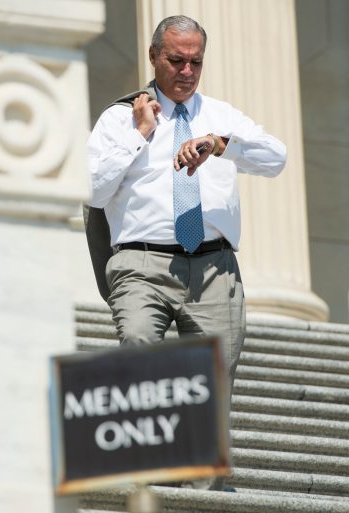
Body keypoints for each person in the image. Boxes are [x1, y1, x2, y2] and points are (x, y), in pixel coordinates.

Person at [86, 15, 286, 489]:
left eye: (196, 61)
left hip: (214, 266)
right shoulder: (120, 118)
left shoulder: (221, 115)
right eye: (176, 60)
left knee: (213, 380)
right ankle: (144, 472)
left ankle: (200, 492)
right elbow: (93, 191)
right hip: (141, 262)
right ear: (155, 57)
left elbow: (275, 158)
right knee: (137, 351)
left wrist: (221, 145)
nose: (187, 71)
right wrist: (140, 134)